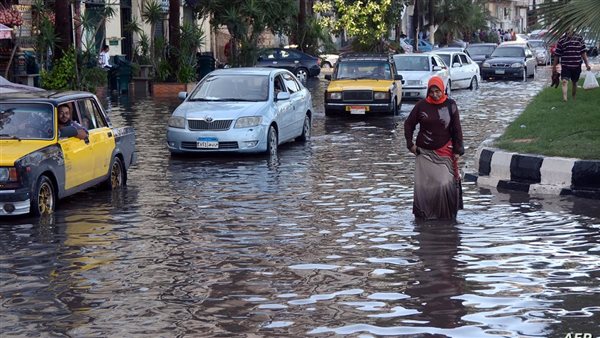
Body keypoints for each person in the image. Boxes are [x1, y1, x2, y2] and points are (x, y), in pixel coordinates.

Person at [404, 76, 464, 220]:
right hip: (424, 153)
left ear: (443, 89)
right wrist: (410, 145)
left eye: (438, 91)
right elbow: (408, 124)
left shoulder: (451, 105)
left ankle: (446, 216)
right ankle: (426, 215)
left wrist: (457, 150)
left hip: (445, 152)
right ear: (428, 92)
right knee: (426, 185)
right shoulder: (421, 106)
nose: (435, 95)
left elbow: (457, 129)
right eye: (432, 92)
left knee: (444, 183)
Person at [552, 29, 592, 102]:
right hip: (565, 65)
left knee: (575, 82)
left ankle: (574, 97)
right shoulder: (562, 40)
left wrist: (587, 65)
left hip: (576, 65)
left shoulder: (579, 38)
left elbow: (583, 53)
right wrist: (554, 67)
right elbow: (557, 55)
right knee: (564, 81)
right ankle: (565, 99)